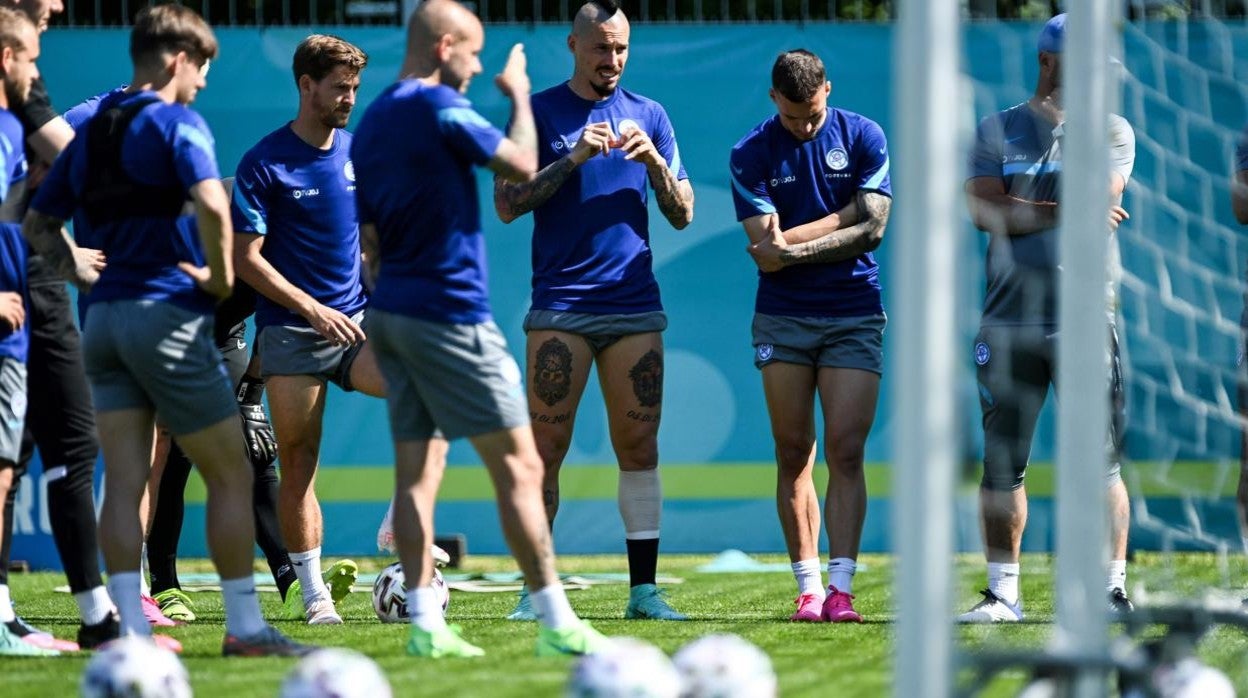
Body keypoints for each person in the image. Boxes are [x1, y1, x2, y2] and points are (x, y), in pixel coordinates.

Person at [22, 4, 311, 655]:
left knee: (124, 481)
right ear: (178, 59)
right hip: (165, 321)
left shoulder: (88, 132)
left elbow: (39, 224)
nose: (205, 83)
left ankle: (126, 629)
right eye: (202, 68)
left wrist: (79, 271)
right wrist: (213, 277)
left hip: (101, 325)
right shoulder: (179, 123)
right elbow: (214, 201)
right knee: (232, 472)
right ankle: (244, 630)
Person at [351, 0, 608, 657]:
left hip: (391, 313)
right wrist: (519, 94)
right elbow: (522, 163)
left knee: (417, 475)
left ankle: (426, 629)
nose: (477, 68)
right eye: (472, 53)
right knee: (521, 467)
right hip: (448, 315)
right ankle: (556, 624)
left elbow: (369, 237)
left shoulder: (375, 115)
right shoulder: (437, 106)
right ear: (443, 46)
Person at [492, 0, 693, 622]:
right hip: (560, 308)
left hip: (634, 307)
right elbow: (507, 202)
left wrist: (656, 164)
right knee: (545, 446)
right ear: (574, 45)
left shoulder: (650, 115)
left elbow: (683, 211)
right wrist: (573, 157)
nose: (613, 60)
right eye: (602, 48)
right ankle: (536, 591)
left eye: (622, 49)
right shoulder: (538, 111)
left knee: (639, 446)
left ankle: (644, 592)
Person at [959, 12, 1135, 622]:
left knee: (1101, 460)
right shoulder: (996, 128)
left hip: (1086, 320)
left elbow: (1102, 193)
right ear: (1049, 63)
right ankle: (1003, 594)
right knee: (1002, 463)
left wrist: (1022, 208)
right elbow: (984, 210)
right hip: (1008, 320)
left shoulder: (1113, 129)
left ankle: (1111, 591)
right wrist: (1065, 209)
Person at [230, 33, 399, 625]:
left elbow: (373, 237)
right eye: (338, 88)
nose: (349, 98)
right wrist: (310, 309)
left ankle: (402, 513)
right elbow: (246, 258)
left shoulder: (361, 150)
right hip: (292, 332)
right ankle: (314, 594)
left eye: (354, 88)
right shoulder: (263, 162)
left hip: (356, 324)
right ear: (306, 86)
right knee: (299, 461)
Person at [729, 49, 891, 623]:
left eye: (814, 114)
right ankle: (808, 590)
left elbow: (872, 229)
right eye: (794, 118)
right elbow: (766, 258)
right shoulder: (749, 153)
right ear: (774, 99)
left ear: (828, 87)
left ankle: (842, 589)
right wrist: (840, 217)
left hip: (853, 311)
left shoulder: (865, 135)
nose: (805, 126)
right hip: (783, 317)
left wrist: (794, 243)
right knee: (793, 452)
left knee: (847, 449)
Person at [0, 0, 116, 651]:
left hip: (30, 280)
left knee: (26, 454)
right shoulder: (11, 77)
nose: (60, 6)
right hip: (21, 290)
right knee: (45, 449)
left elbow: (30, 184)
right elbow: (63, 163)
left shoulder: (14, 122)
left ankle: (92, 615)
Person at [0, 5, 58, 656]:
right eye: (33, 60)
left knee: (6, 470)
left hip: (16, 329)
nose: (40, 74)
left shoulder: (14, 138)